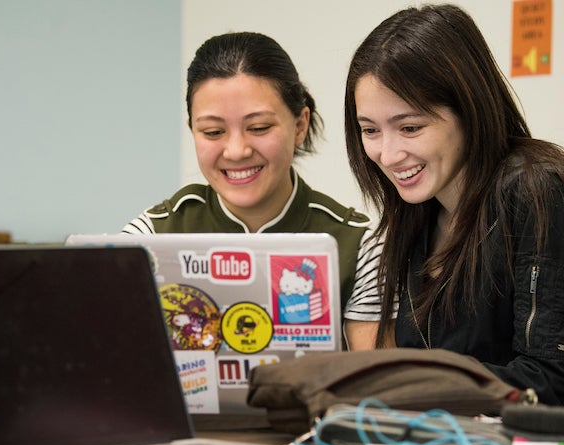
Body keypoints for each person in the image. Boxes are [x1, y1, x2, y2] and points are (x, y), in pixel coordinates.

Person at [343, 4, 564, 409]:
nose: (388, 154)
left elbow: (559, 384)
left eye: (410, 128)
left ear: (469, 109)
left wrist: (409, 384)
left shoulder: (545, 192)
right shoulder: (419, 210)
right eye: (369, 131)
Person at [124, 31, 382, 348]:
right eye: (213, 131)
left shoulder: (360, 246)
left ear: (300, 125)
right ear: (192, 130)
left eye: (258, 128)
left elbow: (378, 388)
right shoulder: (148, 237)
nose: (236, 151)